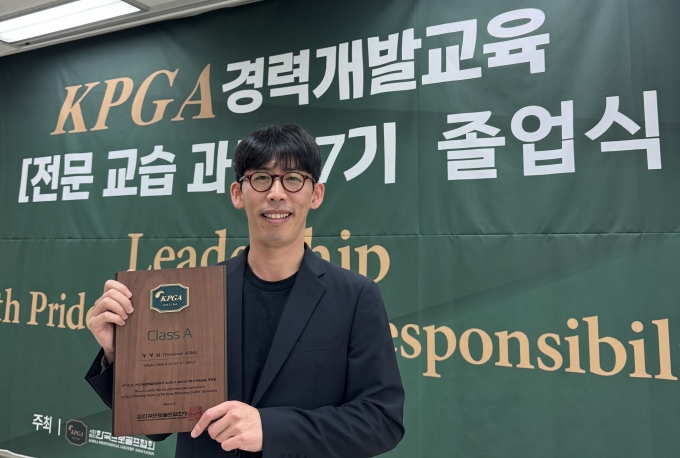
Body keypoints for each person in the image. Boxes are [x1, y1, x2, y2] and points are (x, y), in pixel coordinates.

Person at [85, 124, 405, 458]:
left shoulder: (355, 296)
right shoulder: (196, 295)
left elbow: (381, 420)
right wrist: (119, 354)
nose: (276, 193)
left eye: (293, 178)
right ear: (238, 193)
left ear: (316, 194)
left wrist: (271, 429)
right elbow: (158, 425)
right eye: (262, 178)